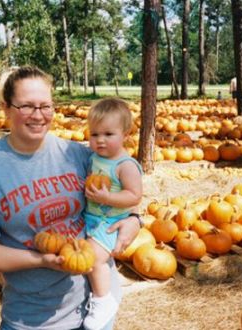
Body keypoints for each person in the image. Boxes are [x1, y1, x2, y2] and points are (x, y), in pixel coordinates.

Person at [0, 66, 141, 330]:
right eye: (27, 106)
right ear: (6, 108)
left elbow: (125, 182)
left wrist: (134, 218)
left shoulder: (77, 154)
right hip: (33, 317)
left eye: (46, 106)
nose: (39, 116)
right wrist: (40, 260)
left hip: (96, 307)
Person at [82, 98, 143, 330]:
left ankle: (102, 299)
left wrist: (107, 198)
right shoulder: (95, 157)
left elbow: (134, 196)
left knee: (92, 259)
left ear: (126, 134)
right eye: (94, 134)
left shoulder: (125, 165)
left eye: (108, 134)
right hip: (92, 218)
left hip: (111, 222)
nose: (100, 140)